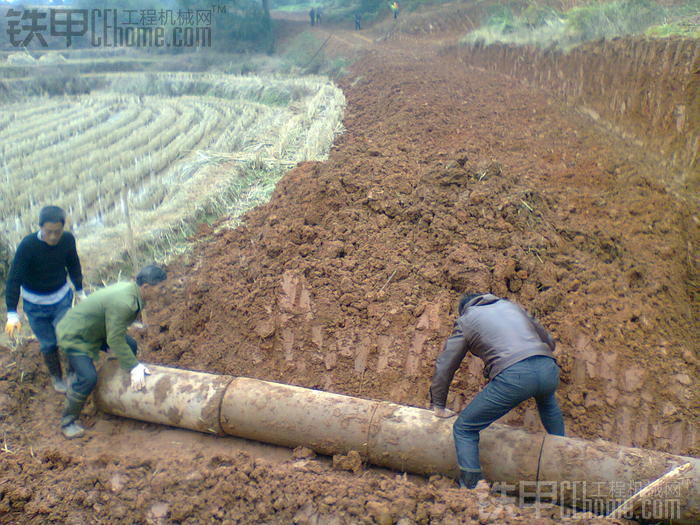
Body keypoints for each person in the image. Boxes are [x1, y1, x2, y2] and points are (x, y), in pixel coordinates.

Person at [430, 293, 565, 489]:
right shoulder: (512, 306)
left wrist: (438, 404)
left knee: (464, 428)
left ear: (465, 308)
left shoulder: (467, 319)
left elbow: (446, 364)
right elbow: (549, 341)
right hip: (548, 368)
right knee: (547, 402)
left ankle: (473, 486)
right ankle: (565, 453)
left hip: (515, 376)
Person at [56, 264, 167, 439]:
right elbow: (114, 339)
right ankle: (68, 421)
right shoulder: (125, 302)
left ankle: (118, 386)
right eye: (160, 288)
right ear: (146, 287)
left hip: (96, 329)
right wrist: (133, 366)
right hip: (76, 335)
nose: (163, 292)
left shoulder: (134, 292)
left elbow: (116, 330)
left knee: (130, 346)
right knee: (88, 377)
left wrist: (132, 364)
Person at [4, 205, 85, 393]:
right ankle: (57, 377)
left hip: (61, 299)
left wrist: (80, 290)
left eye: (57, 232)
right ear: (40, 227)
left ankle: (72, 372)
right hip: (35, 305)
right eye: (49, 232)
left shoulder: (67, 240)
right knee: (48, 343)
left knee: (67, 334)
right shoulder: (28, 247)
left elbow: (74, 264)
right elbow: (14, 279)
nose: (53, 237)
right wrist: (11, 312)